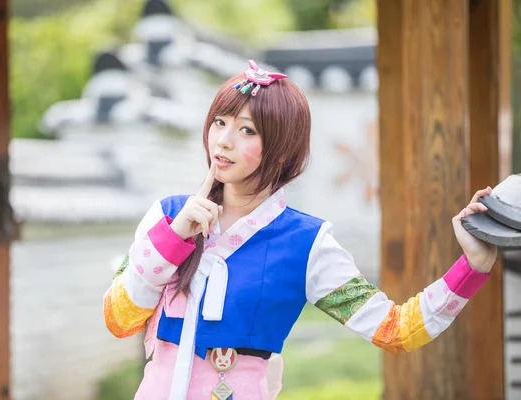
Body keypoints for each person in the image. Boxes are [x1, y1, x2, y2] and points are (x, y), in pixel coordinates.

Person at [102, 60, 497, 400]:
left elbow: (395, 330)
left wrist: (472, 267)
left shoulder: (307, 243)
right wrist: (173, 239)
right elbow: (118, 320)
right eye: (219, 123)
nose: (222, 141)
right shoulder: (168, 215)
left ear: (282, 147)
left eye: (247, 131)